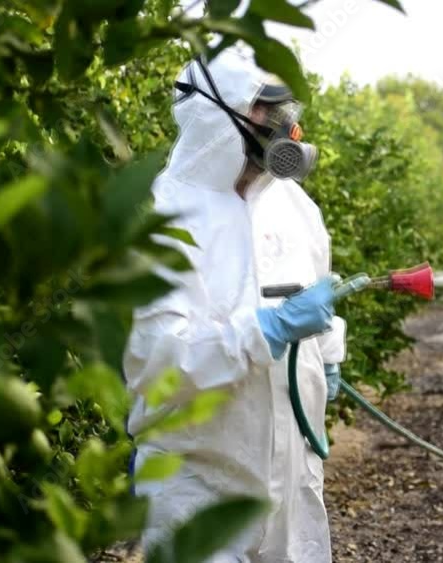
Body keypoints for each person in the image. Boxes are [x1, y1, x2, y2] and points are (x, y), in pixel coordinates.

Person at [123, 47, 345, 562]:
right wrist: (262, 333)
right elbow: (157, 366)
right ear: (216, 113)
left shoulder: (295, 207)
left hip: (293, 481)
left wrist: (328, 355)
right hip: (198, 486)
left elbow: (321, 291)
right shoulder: (165, 219)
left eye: (284, 108)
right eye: (264, 110)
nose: (283, 123)